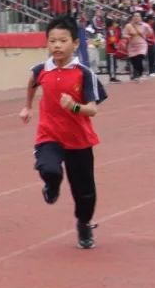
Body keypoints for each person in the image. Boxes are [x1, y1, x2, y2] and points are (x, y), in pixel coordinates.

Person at [20, 15, 106, 249]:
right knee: (49, 169)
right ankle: (52, 185)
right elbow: (32, 83)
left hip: (79, 140)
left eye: (62, 41)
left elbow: (92, 109)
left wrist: (74, 106)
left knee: (85, 192)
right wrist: (27, 106)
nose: (57, 46)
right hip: (49, 135)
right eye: (52, 41)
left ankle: (84, 224)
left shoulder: (84, 74)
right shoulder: (41, 70)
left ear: (75, 43)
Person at [122, 11, 151, 81]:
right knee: (134, 61)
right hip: (132, 45)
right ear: (132, 17)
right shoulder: (128, 25)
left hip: (142, 44)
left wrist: (146, 32)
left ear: (141, 17)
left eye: (138, 16)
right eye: (135, 16)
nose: (136, 17)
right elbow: (124, 34)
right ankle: (136, 74)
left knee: (140, 58)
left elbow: (150, 32)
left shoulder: (145, 25)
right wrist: (128, 36)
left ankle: (140, 72)